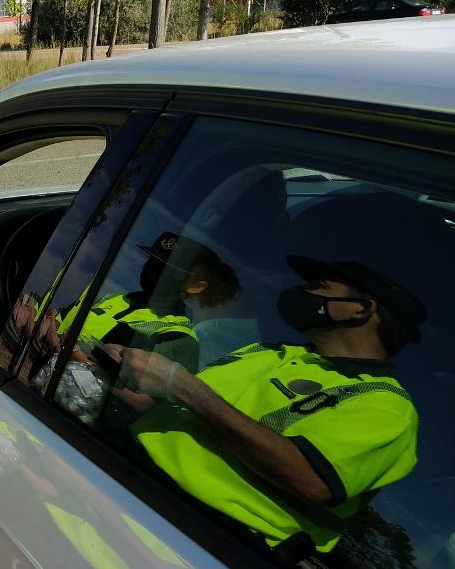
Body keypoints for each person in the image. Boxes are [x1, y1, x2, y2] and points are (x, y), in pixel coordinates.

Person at [108, 254, 424, 558]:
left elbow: (312, 481)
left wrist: (183, 387)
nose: (305, 293)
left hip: (194, 539)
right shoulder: (269, 351)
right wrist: (113, 373)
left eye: (320, 288)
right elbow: (189, 422)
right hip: (120, 483)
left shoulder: (385, 405)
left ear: (360, 309)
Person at [64, 232, 240, 372]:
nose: (152, 270)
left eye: (165, 269)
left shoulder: (177, 335)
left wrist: (71, 352)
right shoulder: (116, 298)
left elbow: (143, 402)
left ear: (195, 287)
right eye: (152, 261)